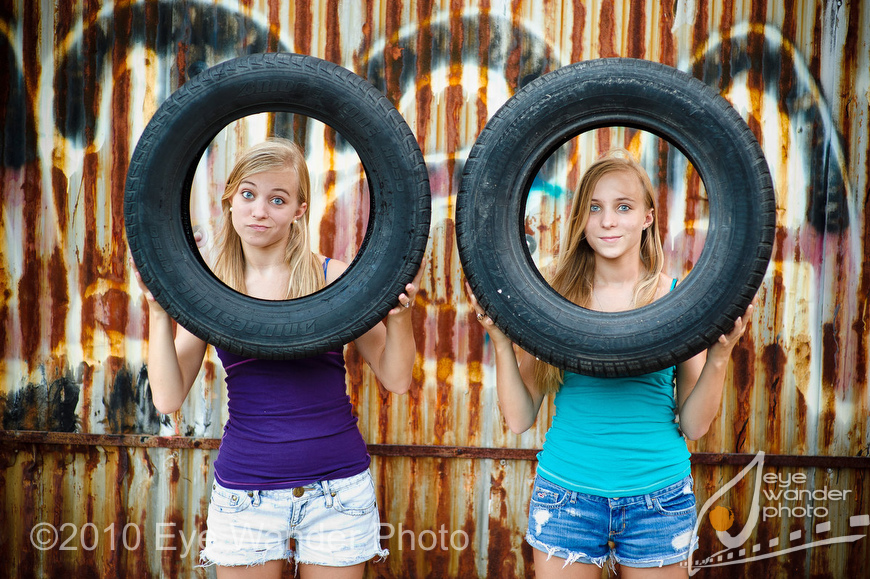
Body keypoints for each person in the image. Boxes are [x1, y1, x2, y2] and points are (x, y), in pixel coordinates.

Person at [132, 137, 424, 579]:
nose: (259, 210)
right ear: (230, 199)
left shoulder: (334, 278)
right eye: (248, 194)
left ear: (299, 210)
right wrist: (159, 312)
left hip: (337, 493)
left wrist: (400, 318)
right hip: (246, 494)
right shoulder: (208, 288)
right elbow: (168, 398)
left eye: (277, 199)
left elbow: (397, 379)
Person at [467, 151, 754, 578]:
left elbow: (695, 425)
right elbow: (520, 416)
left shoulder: (678, 299)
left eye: (623, 207)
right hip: (566, 495)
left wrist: (720, 355)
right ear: (581, 220)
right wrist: (502, 341)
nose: (607, 221)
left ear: (647, 217)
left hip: (658, 497)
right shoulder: (553, 300)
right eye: (595, 208)